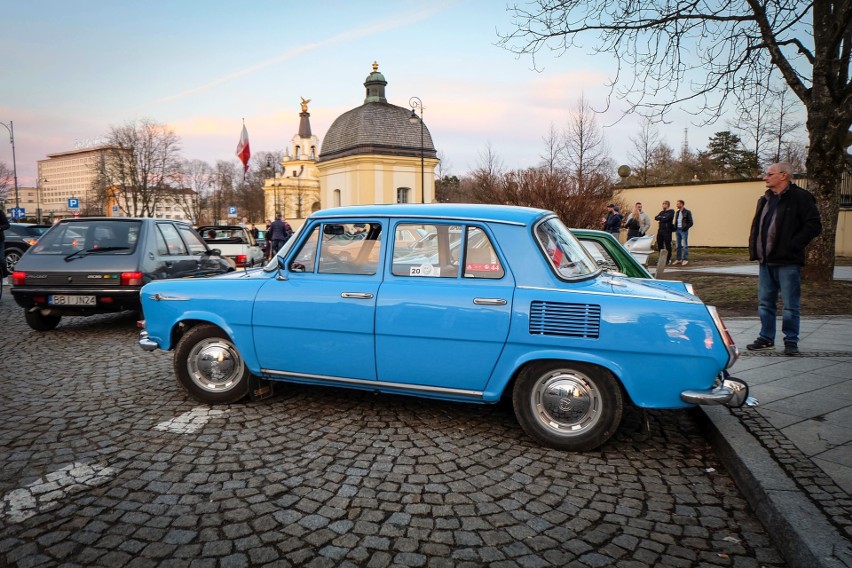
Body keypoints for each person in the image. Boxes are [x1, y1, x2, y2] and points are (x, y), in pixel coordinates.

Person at [746, 162, 822, 356]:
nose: (765, 177)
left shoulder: (800, 197)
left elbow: (813, 225)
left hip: (788, 262)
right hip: (766, 261)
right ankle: (766, 338)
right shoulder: (765, 199)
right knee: (765, 302)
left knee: (790, 305)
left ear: (784, 176)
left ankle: (790, 341)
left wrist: (793, 245)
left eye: (769, 174)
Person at [673, 199, 694, 265]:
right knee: (678, 245)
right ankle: (678, 259)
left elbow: (691, 222)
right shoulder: (677, 212)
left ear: (682, 204)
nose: (677, 205)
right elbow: (676, 221)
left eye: (678, 204)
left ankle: (685, 259)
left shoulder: (687, 212)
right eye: (677, 204)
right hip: (677, 230)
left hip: (683, 230)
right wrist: (675, 228)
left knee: (685, 245)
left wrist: (685, 228)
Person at [0, 208, 9, 299]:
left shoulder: (0, 212)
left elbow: (7, 225)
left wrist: (0, 227)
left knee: (1, 259)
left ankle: (5, 276)